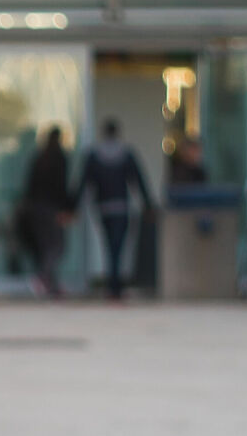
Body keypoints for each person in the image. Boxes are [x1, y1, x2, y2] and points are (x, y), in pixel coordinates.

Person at [75, 118, 152, 301]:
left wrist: (73, 206)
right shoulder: (126, 154)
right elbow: (138, 181)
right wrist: (148, 205)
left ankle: (112, 285)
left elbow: (83, 183)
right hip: (122, 208)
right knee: (118, 247)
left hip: (103, 208)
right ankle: (115, 286)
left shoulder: (94, 155)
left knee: (109, 246)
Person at [18, 126, 73, 297]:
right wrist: (66, 208)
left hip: (36, 208)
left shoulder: (39, 157)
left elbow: (29, 184)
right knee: (57, 246)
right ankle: (42, 278)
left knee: (45, 247)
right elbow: (61, 185)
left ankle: (51, 285)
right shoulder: (59, 158)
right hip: (51, 208)